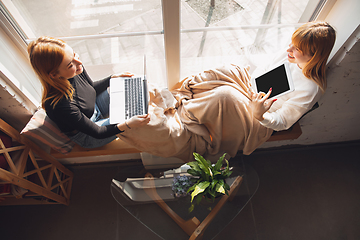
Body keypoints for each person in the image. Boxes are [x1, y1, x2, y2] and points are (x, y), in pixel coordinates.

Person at [116, 21, 336, 162]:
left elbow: (283, 122)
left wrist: (260, 113)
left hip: (259, 117)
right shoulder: (288, 55)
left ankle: (184, 116)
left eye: (296, 49)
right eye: (291, 43)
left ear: (313, 55)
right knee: (226, 70)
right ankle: (180, 99)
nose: (288, 49)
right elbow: (260, 72)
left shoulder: (311, 87)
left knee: (225, 97)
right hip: (250, 86)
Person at [27, 36, 150, 148]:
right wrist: (127, 124)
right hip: (89, 134)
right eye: (70, 64)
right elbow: (98, 132)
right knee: (136, 120)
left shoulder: (75, 70)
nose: (79, 62)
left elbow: (90, 89)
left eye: (75, 55)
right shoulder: (60, 105)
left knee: (135, 92)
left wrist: (112, 78)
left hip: (93, 108)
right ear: (54, 74)